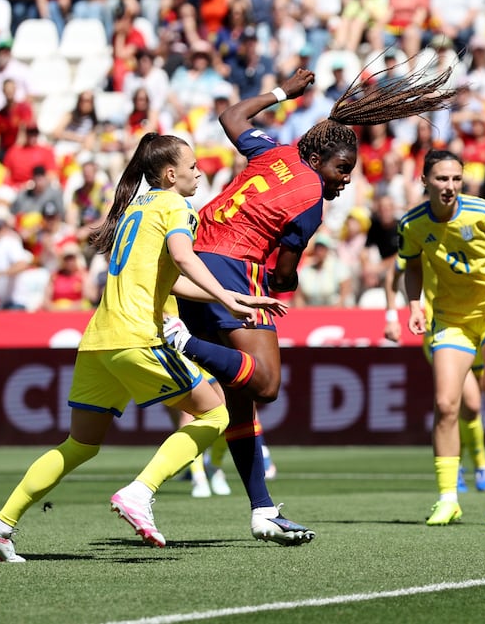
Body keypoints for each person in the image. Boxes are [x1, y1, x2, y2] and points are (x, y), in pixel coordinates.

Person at [172, 64, 454, 545]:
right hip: (232, 268)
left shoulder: (273, 152)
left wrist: (283, 92)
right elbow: (283, 276)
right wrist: (285, 280)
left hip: (192, 262)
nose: (344, 180)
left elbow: (231, 116)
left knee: (239, 405)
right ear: (322, 157)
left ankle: (262, 509)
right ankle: (178, 341)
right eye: (342, 169)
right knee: (266, 384)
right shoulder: (310, 202)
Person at [0, 133, 282, 562]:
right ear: (171, 174)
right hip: (138, 336)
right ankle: (140, 492)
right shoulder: (177, 206)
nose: (200, 172)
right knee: (215, 413)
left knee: (79, 444)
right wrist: (231, 297)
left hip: (98, 341)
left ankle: (0, 526)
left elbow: (168, 277)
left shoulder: (135, 208)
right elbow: (185, 258)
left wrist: (223, 297)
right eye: (192, 166)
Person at [399, 150, 485, 526]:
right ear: (424, 180)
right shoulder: (411, 224)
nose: (450, 186)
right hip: (451, 318)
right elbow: (411, 265)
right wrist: (413, 304)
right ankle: (448, 499)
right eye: (442, 179)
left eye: (456, 179)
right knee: (446, 404)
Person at [384, 258, 485, 494]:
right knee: (466, 403)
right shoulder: (424, 231)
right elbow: (393, 273)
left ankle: (472, 465)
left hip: (481, 326)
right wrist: (392, 316)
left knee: (470, 407)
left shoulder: (478, 230)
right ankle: (472, 465)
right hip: (445, 332)